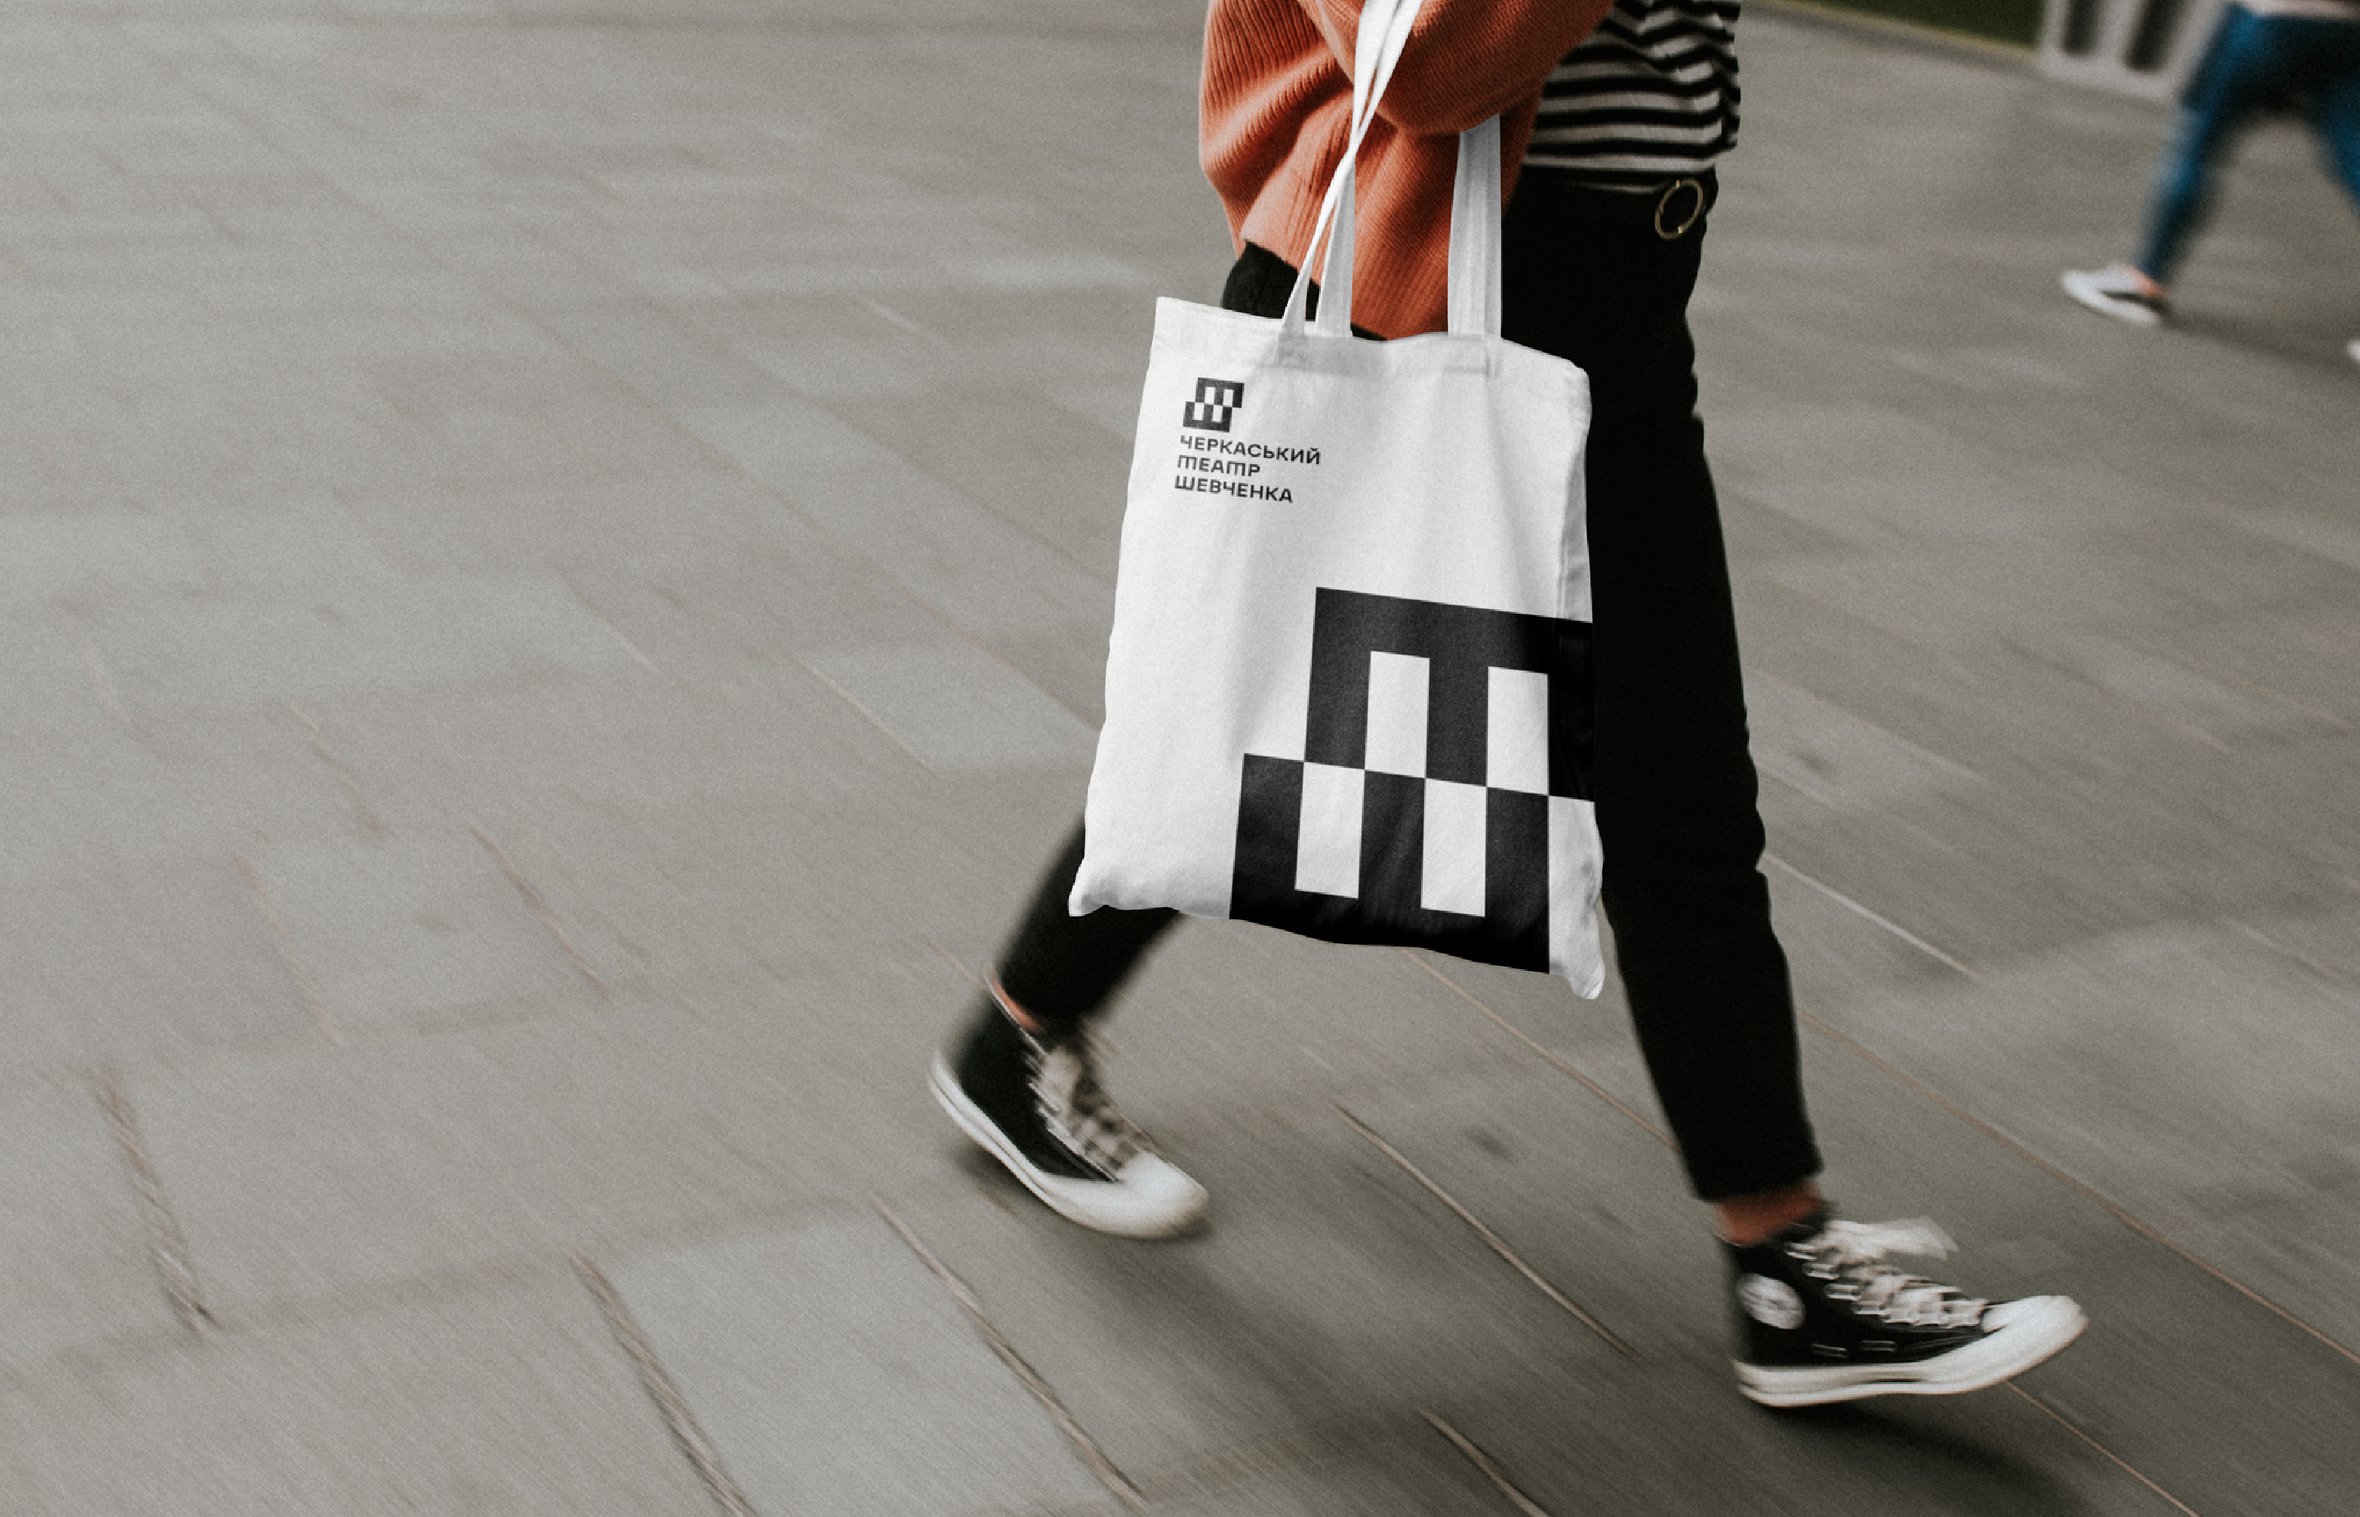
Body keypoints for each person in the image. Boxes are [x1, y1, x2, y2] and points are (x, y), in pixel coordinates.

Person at [932, 0, 2087, 1407]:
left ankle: (1780, 1260)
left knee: (1672, 786)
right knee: (1247, 726)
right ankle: (1013, 1038)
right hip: (1410, 278)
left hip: (1624, 293)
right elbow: (1426, 59)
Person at [2062, 0, 2360, 361]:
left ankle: (2143, 284)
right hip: (2348, 30)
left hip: (2271, 19)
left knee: (2198, 142)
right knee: (2354, 155)